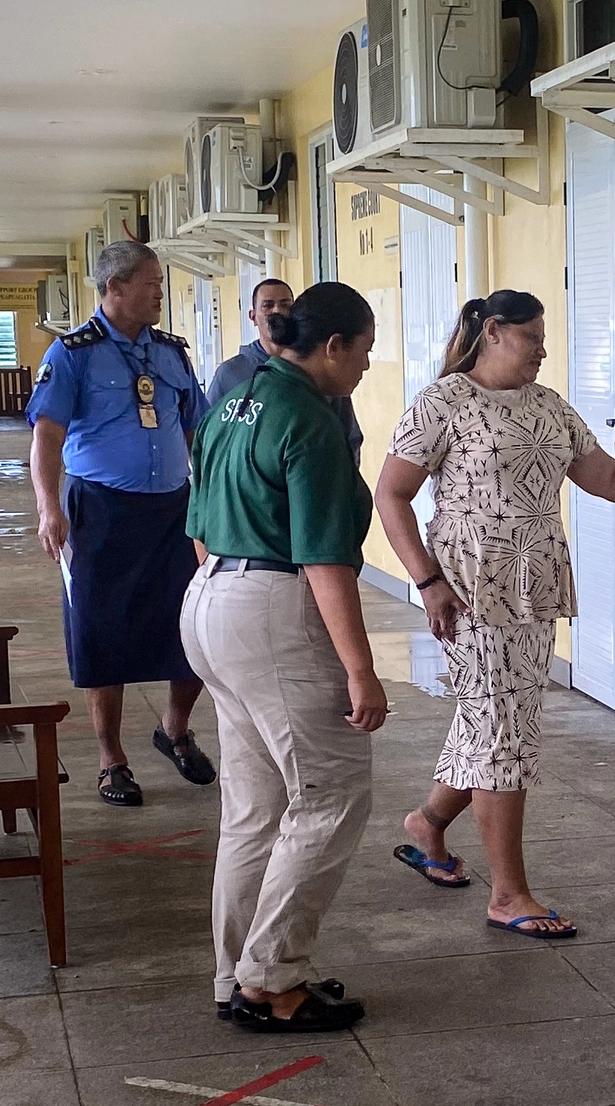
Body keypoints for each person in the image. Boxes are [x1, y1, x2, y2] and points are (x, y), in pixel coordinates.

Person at [376, 289, 615, 938]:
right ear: (492, 332)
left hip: (533, 587)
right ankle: (508, 895)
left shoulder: (548, 406)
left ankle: (428, 823)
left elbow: (610, 478)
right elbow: (391, 495)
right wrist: (427, 582)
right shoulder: (443, 402)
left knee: (495, 717)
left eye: (544, 338)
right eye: (532, 337)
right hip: (470, 590)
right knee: (502, 732)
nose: (543, 349)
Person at [182, 281, 387, 1033]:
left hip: (212, 595)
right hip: (271, 608)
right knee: (332, 792)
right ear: (332, 346)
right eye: (363, 351)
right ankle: (270, 978)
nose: (365, 366)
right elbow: (324, 558)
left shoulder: (233, 404)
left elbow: (197, 526)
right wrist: (359, 669)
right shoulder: (309, 418)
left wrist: (232, 594)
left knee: (256, 807)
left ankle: (236, 972)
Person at [29, 240, 217, 807]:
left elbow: (197, 431)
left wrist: (213, 501)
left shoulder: (172, 353)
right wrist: (49, 508)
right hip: (101, 511)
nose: (160, 293)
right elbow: (47, 437)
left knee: (192, 624)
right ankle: (111, 758)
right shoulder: (73, 354)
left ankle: (175, 729)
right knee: (100, 630)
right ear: (115, 287)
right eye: (151, 283)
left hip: (173, 511)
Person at [205, 278, 364, 464]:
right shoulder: (230, 373)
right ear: (253, 316)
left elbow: (349, 436)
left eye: (285, 304)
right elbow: (207, 436)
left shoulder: (316, 368)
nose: (277, 311)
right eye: (267, 305)